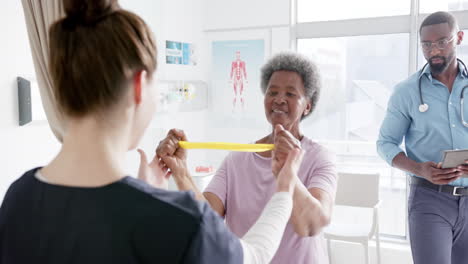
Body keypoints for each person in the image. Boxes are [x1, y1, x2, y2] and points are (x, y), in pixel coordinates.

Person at [0, 1, 303, 263]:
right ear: (138, 86)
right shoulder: (181, 221)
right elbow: (254, 256)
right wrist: (285, 188)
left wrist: (146, 190)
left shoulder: (18, 197)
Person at [157, 52, 338, 264]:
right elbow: (207, 219)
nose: (279, 99)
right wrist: (181, 172)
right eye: (273, 92)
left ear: (307, 105)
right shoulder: (236, 160)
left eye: (290, 94)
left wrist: (286, 173)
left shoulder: (320, 158)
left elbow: (311, 224)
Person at [377, 11, 468, 264]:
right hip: (430, 200)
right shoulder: (406, 92)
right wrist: (419, 168)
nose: (433, 51)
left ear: (458, 37)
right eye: (426, 45)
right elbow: (385, 144)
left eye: (442, 42)